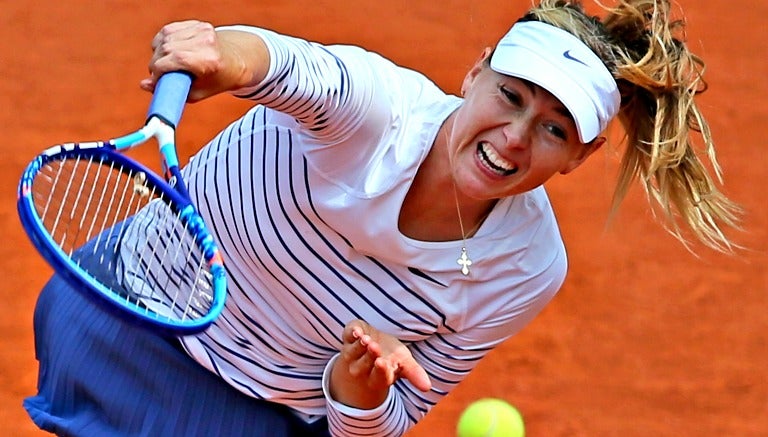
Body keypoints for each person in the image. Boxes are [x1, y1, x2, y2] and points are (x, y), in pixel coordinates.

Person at [24, 0, 741, 435]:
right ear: (474, 74)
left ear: (578, 159)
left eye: (556, 130)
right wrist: (219, 53)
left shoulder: (524, 268)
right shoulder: (373, 108)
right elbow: (277, 63)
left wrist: (358, 387)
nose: (517, 136)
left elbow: (378, 425)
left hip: (253, 413)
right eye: (512, 96)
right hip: (119, 319)